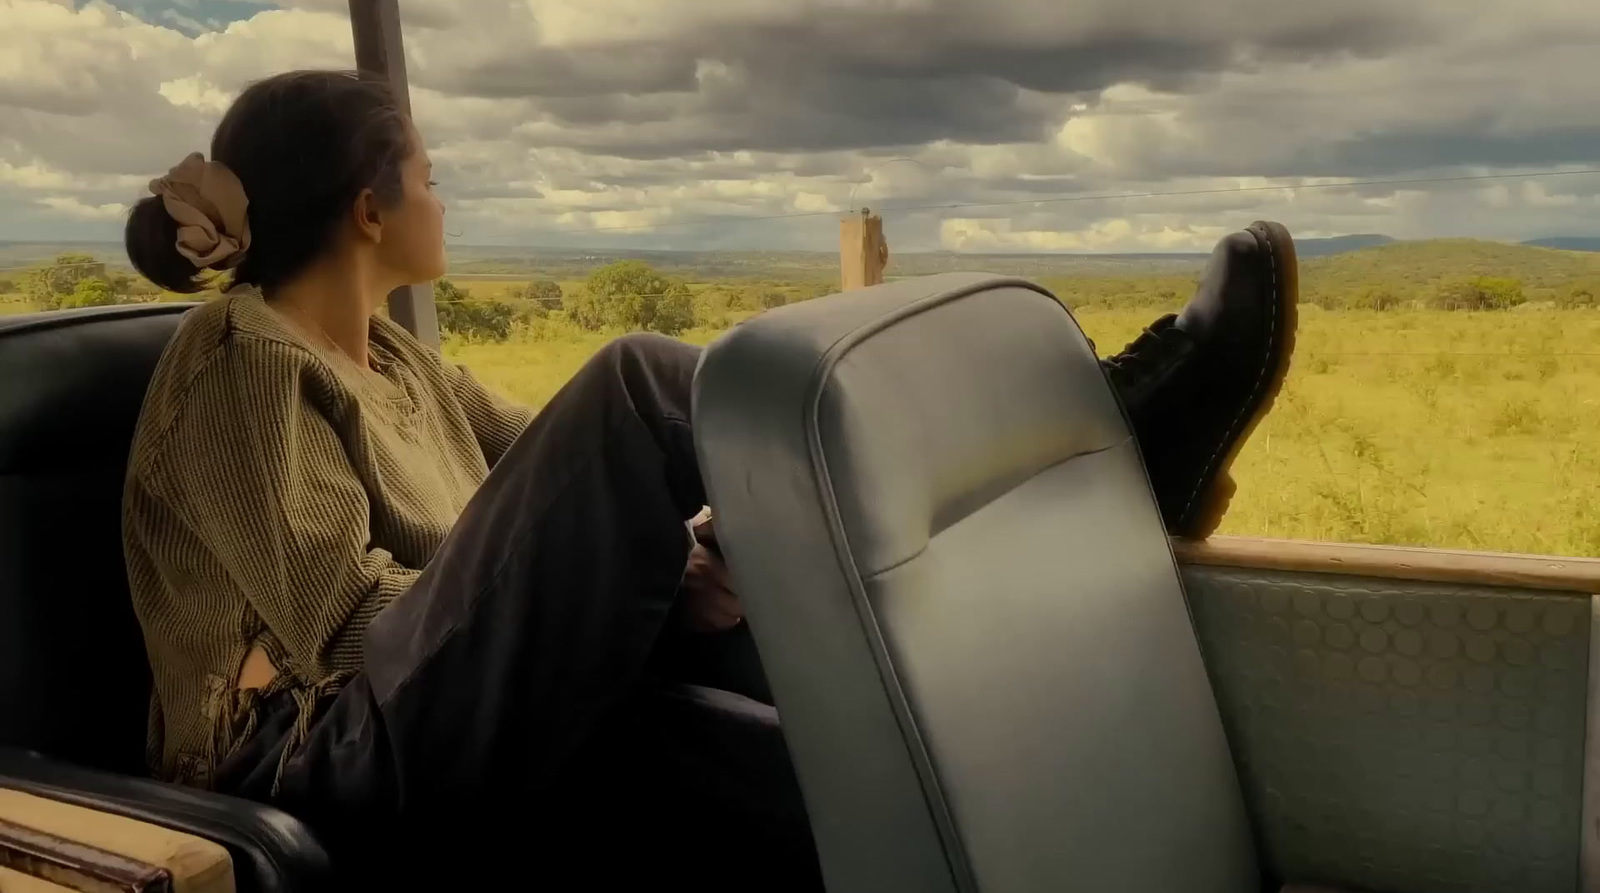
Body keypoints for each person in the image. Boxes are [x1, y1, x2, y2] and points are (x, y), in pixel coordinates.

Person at [121, 69, 1297, 889]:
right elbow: (339, 627)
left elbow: (553, 484)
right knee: (638, 382)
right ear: (371, 208)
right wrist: (589, 575)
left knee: (816, 787)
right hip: (311, 760)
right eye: (430, 176)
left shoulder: (397, 358)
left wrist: (652, 554)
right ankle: (1116, 434)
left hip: (424, 703)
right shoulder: (244, 364)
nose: (444, 198)